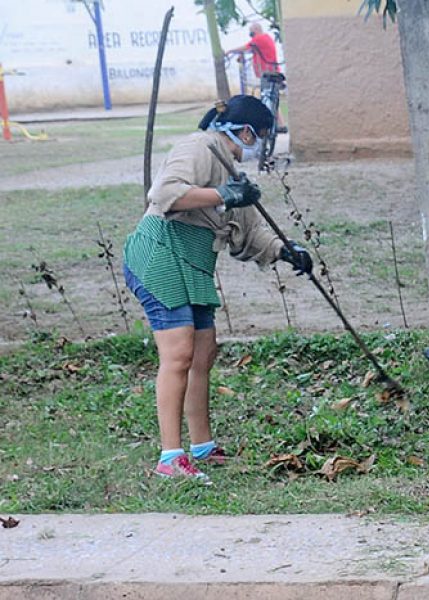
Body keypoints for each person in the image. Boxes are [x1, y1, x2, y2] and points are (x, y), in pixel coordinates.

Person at [123, 95, 313, 482]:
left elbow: (248, 235)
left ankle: (203, 447)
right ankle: (170, 458)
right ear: (245, 132)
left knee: (203, 353)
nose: (261, 144)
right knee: (178, 355)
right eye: (261, 136)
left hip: (193, 265)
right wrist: (222, 196)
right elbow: (165, 193)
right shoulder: (199, 147)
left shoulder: (235, 173)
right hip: (159, 255)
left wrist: (286, 250)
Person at [226, 22, 287, 133]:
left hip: (267, 72)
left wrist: (230, 51)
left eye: (251, 32)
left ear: (256, 30)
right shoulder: (265, 38)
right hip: (270, 71)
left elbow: (246, 47)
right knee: (271, 99)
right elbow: (253, 49)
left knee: (267, 99)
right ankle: (280, 124)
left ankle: (272, 124)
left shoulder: (260, 38)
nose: (251, 34)